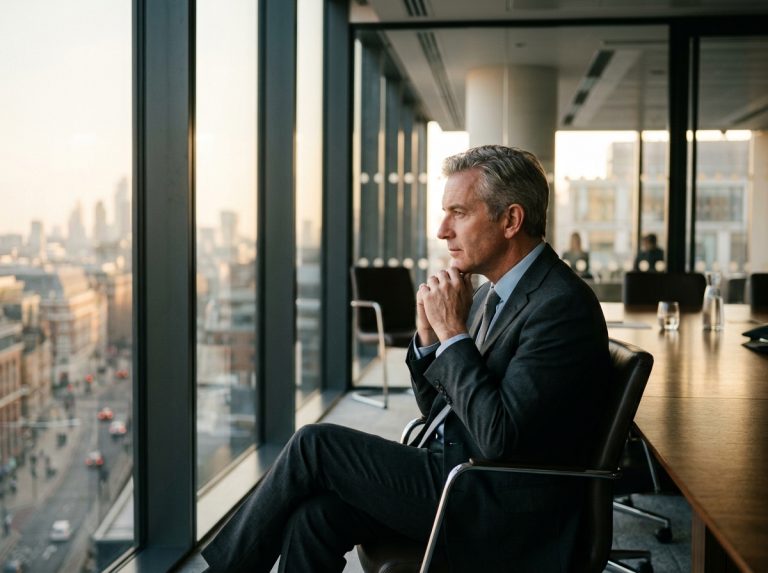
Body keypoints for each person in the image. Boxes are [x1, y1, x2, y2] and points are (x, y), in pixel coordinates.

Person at [202, 145, 611, 573]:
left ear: (511, 220)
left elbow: (499, 439)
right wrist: (431, 339)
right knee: (314, 517)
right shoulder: (491, 294)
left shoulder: (559, 306)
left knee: (314, 445)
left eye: (458, 213)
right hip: (460, 474)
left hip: (501, 508)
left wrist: (453, 334)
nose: (442, 231)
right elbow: (439, 410)